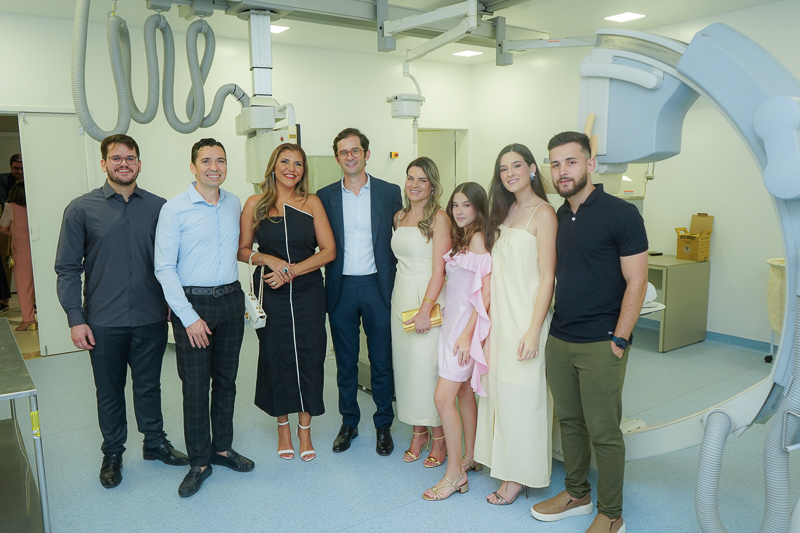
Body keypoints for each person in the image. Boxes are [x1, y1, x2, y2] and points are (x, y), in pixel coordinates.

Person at [55, 134, 188, 489]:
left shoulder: (160, 208)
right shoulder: (80, 209)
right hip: (103, 320)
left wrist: (175, 305)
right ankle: (113, 453)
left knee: (149, 386)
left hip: (150, 315)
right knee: (109, 390)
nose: (124, 164)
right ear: (104, 164)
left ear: (140, 164)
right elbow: (67, 268)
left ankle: (155, 443)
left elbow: (172, 261)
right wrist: (75, 319)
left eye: (130, 158)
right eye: (116, 158)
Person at [531, 132, 648, 533]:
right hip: (561, 338)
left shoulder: (621, 214)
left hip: (602, 342)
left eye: (571, 162)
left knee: (604, 431)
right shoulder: (558, 217)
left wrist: (620, 339)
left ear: (590, 164)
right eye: (555, 164)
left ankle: (611, 514)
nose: (562, 171)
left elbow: (637, 282)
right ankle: (577, 493)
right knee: (569, 422)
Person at [155, 138, 254, 498]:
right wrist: (189, 318)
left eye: (220, 160)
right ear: (193, 166)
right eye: (206, 161)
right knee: (196, 388)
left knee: (226, 382)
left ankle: (222, 449)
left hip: (230, 301)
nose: (214, 167)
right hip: (193, 305)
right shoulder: (174, 209)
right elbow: (164, 268)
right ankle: (199, 461)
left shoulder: (234, 203)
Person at [237, 143, 335, 462]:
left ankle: (305, 429)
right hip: (270, 291)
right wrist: (268, 259)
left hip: (307, 290)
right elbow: (242, 250)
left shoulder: (312, 203)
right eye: (285, 162)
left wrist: (290, 271)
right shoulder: (255, 204)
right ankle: (282, 426)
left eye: (298, 164)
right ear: (273, 167)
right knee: (275, 356)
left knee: (310, 355)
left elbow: (328, 251)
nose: (291, 169)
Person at [475, 143, 557, 505]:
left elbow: (548, 276)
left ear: (532, 168)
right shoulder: (503, 211)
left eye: (517, 166)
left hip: (526, 319)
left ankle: (520, 477)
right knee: (500, 394)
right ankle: (502, 461)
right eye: (503, 168)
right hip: (500, 320)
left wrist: (534, 330)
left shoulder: (544, 213)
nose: (510, 174)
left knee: (524, 398)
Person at [317, 127, 402, 456]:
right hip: (341, 289)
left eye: (355, 151)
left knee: (381, 361)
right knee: (345, 363)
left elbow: (403, 236)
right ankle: (349, 422)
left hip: (378, 288)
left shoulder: (388, 192)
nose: (349, 157)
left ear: (366, 154)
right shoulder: (324, 197)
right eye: (343, 152)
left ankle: (383, 425)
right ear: (337, 157)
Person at [422, 182, 491, 501]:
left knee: (442, 399)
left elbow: (485, 293)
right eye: (455, 205)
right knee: (463, 392)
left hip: (463, 331)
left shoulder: (477, 239)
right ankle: (471, 457)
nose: (459, 211)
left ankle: (454, 474)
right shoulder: (464, 237)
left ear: (478, 207)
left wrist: (467, 334)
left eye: (466, 205)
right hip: (452, 325)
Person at [391, 157, 450, 467]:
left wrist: (426, 309)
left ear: (432, 186)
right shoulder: (399, 216)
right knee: (406, 369)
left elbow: (440, 269)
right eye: (410, 178)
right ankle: (418, 433)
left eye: (422, 180)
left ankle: (439, 438)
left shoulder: (439, 217)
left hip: (428, 299)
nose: (414, 185)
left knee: (427, 371)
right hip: (401, 297)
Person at [0, 180, 35, 330]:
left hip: (21, 251)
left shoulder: (10, 207)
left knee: (24, 287)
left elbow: (3, 229)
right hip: (38, 248)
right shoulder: (35, 205)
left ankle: (28, 320)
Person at [0, 153, 22, 310]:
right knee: (5, 264)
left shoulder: (31, 179)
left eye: (21, 168)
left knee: (31, 266)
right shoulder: (3, 180)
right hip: (7, 228)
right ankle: (4, 300)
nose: (19, 172)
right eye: (16, 168)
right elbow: (2, 201)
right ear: (10, 167)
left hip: (27, 230)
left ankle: (34, 300)